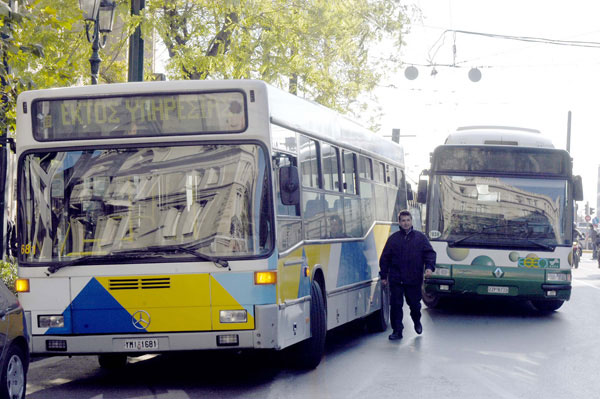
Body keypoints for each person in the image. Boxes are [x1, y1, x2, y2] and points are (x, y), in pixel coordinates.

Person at [379, 210, 436, 340]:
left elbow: (430, 254)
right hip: (396, 279)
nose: (406, 223)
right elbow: (385, 258)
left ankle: (417, 321)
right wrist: (383, 276)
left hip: (413, 279)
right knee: (396, 305)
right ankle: (397, 331)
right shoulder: (393, 239)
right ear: (399, 222)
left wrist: (429, 268)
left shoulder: (420, 238)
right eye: (403, 220)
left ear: (411, 221)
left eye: (408, 220)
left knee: (415, 305)